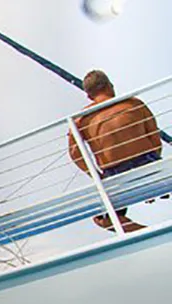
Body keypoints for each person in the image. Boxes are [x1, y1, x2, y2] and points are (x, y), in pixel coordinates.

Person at [67, 69, 164, 233]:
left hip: (115, 172)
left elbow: (75, 154)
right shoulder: (134, 104)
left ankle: (149, 231)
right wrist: (154, 167)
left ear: (89, 96)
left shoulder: (81, 119)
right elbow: (154, 137)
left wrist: (96, 176)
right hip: (148, 160)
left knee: (104, 219)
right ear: (110, 86)